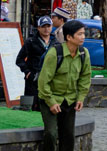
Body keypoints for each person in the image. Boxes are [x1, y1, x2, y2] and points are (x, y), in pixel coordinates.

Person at [38, 20, 91, 151]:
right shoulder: (55, 53)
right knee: (51, 134)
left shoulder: (84, 53)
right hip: (50, 99)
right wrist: (51, 102)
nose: (83, 37)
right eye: (79, 34)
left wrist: (80, 98)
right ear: (69, 37)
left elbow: (85, 78)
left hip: (70, 101)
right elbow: (43, 81)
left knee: (68, 137)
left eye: (84, 34)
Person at [16, 16, 56, 110]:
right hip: (34, 77)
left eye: (48, 26)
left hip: (50, 77)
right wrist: (27, 72)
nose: (46, 29)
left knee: (48, 105)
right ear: (38, 28)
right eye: (43, 26)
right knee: (33, 106)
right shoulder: (30, 41)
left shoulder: (56, 42)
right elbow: (19, 59)